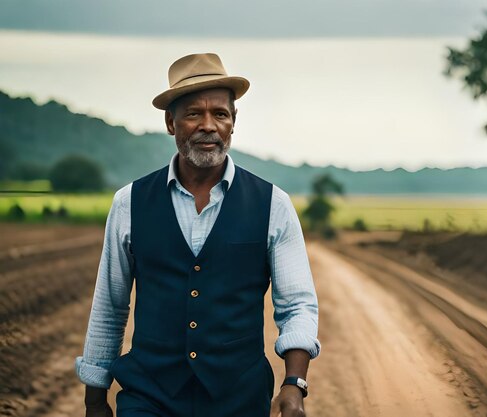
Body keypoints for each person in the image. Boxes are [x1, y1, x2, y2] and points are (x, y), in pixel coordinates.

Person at [75, 53, 321, 417]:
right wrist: (95, 399)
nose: (209, 125)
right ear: (171, 123)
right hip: (149, 395)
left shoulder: (274, 205)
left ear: (233, 123)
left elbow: (297, 305)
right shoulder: (129, 203)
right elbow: (111, 306)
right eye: (194, 113)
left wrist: (294, 383)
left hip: (239, 397)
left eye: (220, 114)